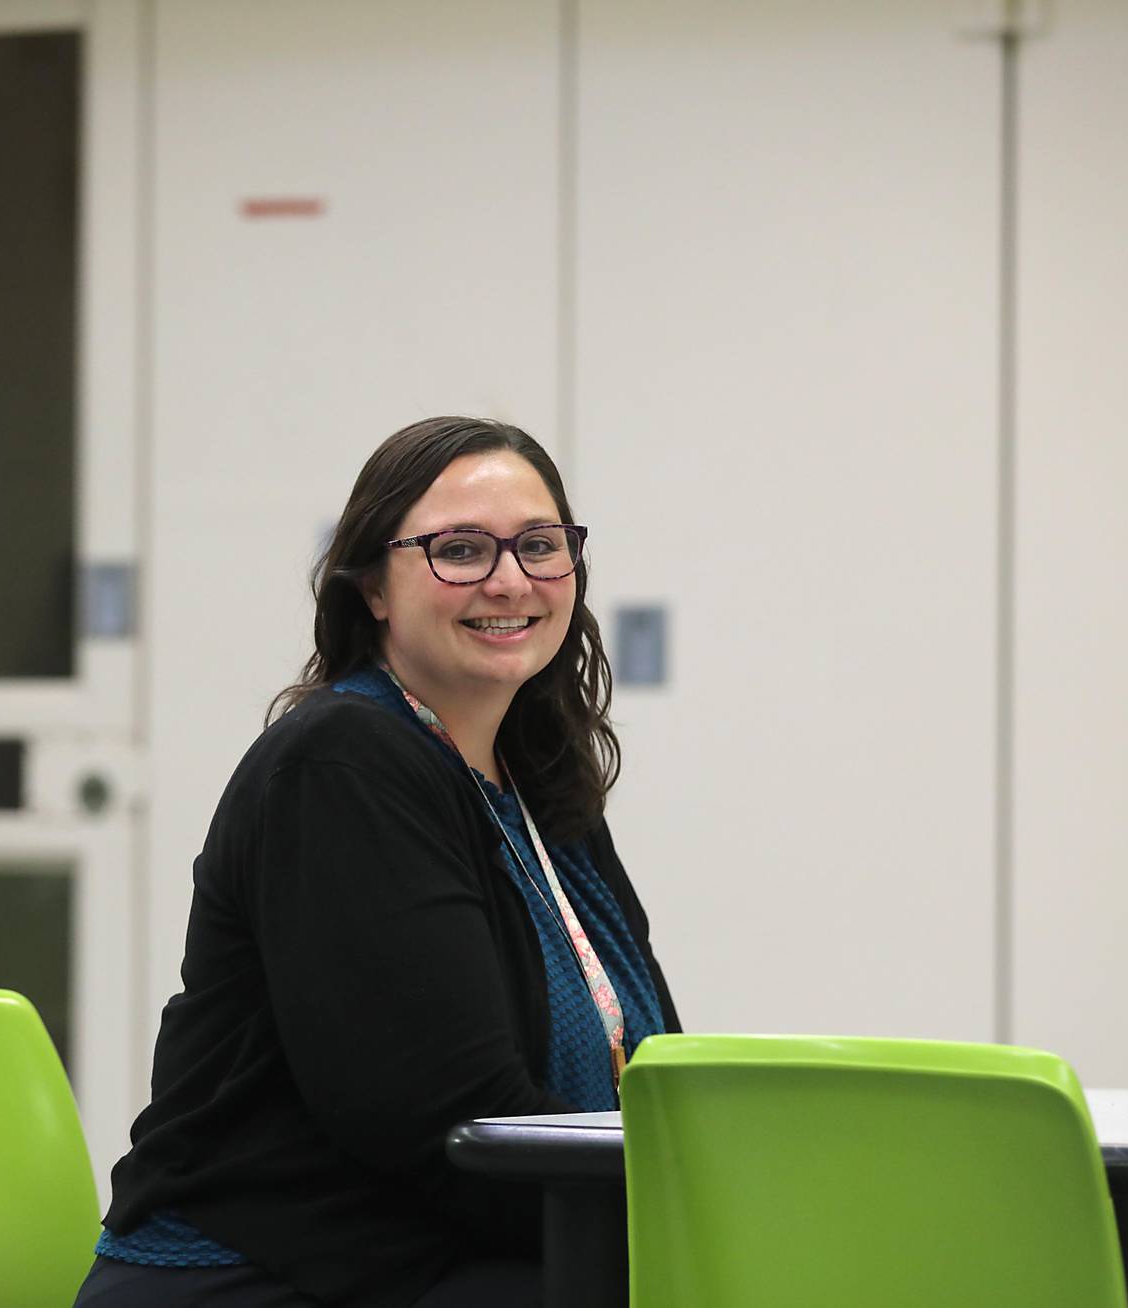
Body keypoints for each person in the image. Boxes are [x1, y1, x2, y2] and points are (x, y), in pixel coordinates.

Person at [74, 416, 681, 1308]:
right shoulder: (342, 766)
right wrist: (685, 1222)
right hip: (266, 1277)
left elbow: (657, 1070)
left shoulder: (538, 784)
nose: (510, 580)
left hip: (461, 1254)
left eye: (540, 546)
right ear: (372, 589)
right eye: (460, 550)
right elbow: (446, 1127)